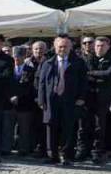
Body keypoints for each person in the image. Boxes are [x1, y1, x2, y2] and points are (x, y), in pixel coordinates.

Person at [37, 35, 89, 166]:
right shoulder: (47, 62)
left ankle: (66, 155)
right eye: (60, 46)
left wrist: (81, 98)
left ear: (70, 47)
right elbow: (41, 82)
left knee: (68, 128)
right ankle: (52, 155)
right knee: (51, 128)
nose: (63, 49)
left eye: (65, 46)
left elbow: (84, 82)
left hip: (70, 101)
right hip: (51, 101)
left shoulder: (78, 62)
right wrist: (41, 99)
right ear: (55, 48)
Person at [78, 36, 111, 164]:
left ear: (108, 47)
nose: (99, 48)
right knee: (83, 125)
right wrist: (98, 75)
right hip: (88, 97)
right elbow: (84, 74)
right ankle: (83, 150)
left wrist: (91, 74)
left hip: (102, 98)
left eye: (102, 46)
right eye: (97, 46)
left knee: (99, 126)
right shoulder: (88, 59)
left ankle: (97, 152)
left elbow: (109, 74)